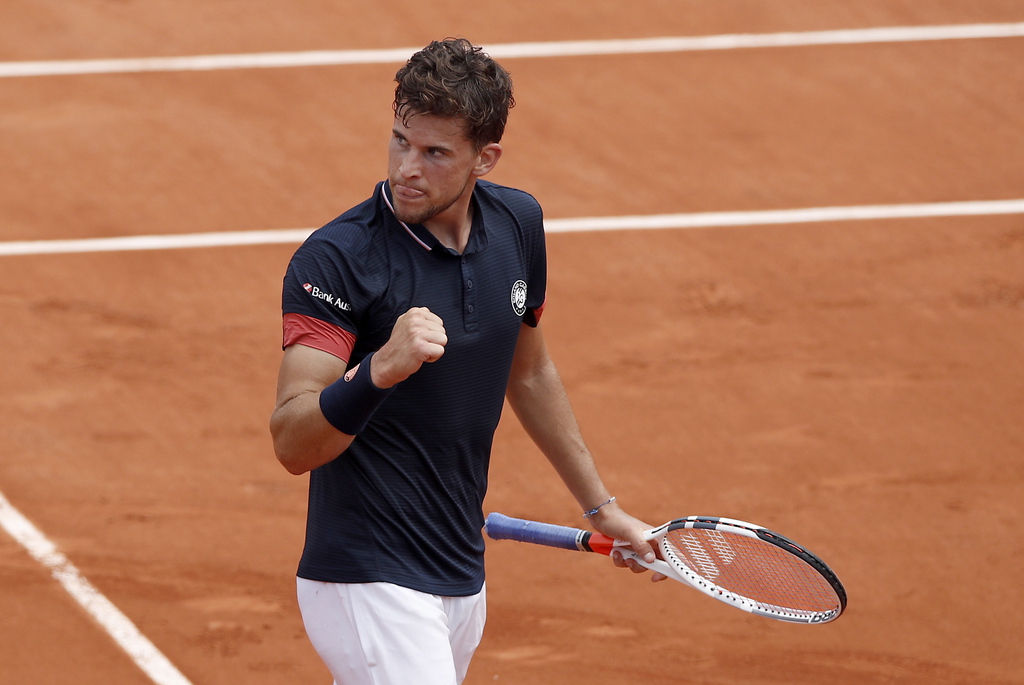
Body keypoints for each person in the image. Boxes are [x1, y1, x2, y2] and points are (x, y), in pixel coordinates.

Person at [270, 37, 659, 685]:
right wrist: (376, 372)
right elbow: (291, 439)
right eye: (399, 140)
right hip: (368, 575)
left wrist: (602, 507)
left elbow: (528, 370)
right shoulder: (338, 259)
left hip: (458, 569)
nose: (406, 168)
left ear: (486, 158)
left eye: (434, 153)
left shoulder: (517, 225)